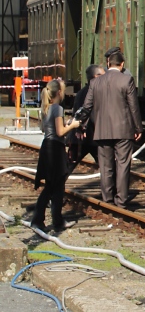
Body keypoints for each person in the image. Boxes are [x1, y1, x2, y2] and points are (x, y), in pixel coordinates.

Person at [80, 50, 142, 208]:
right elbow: (133, 107)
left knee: (105, 165)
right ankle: (121, 201)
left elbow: (86, 107)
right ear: (122, 65)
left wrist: (81, 125)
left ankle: (107, 199)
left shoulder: (95, 83)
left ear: (108, 64)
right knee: (122, 164)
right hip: (123, 130)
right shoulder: (127, 80)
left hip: (102, 130)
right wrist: (138, 127)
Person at [32, 78, 81, 232]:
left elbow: (45, 129)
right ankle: (52, 221)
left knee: (51, 186)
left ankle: (42, 219)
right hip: (55, 149)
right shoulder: (57, 108)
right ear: (59, 92)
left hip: (46, 146)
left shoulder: (45, 107)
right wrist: (72, 125)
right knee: (56, 186)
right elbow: (60, 132)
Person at [67, 64, 104, 170]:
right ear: (97, 77)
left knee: (68, 166)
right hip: (92, 137)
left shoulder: (81, 92)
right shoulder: (95, 92)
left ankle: (55, 186)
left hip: (80, 138)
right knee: (108, 170)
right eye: (103, 75)